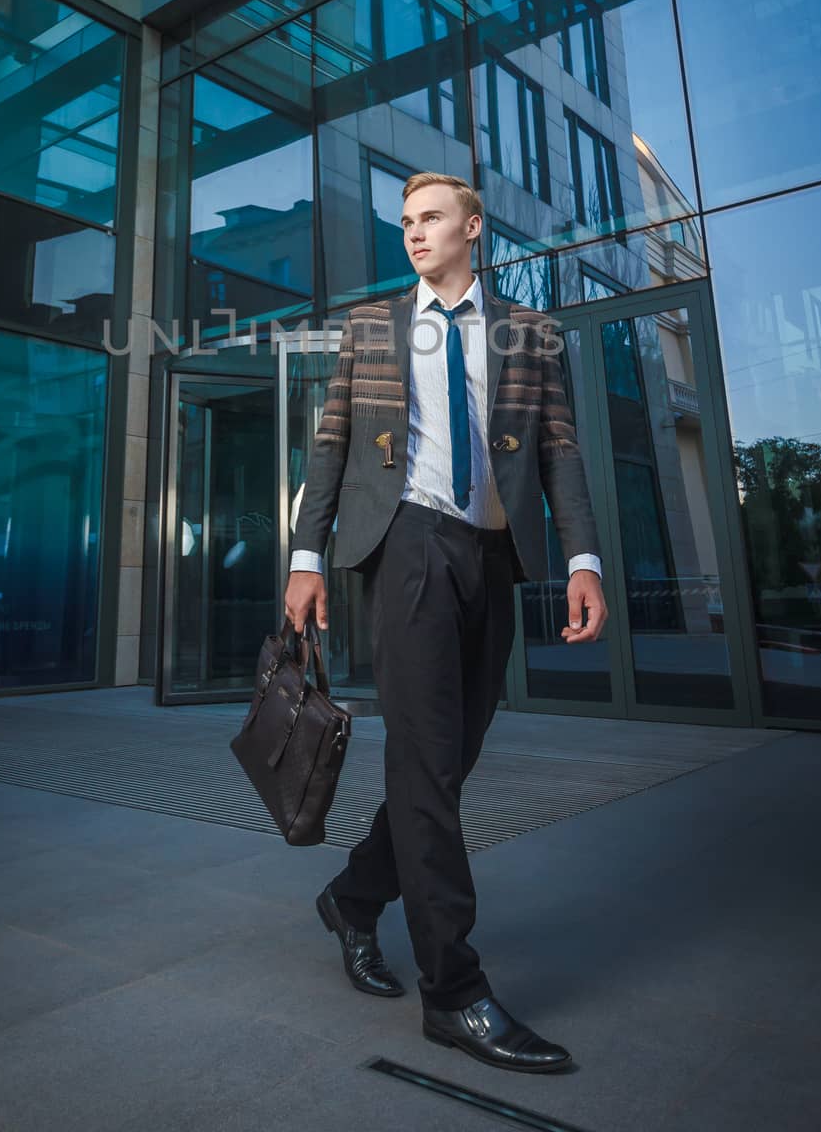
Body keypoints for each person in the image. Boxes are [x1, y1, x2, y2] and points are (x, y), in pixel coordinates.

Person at [284, 171, 607, 1073]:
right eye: (405, 223)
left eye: (430, 219)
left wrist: (582, 561)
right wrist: (305, 559)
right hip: (407, 544)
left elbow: (559, 452)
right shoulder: (371, 328)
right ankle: (454, 993)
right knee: (423, 760)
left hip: (490, 554)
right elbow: (331, 443)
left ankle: (354, 896)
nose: (414, 234)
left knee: (449, 759)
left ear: (474, 227)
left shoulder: (527, 332)